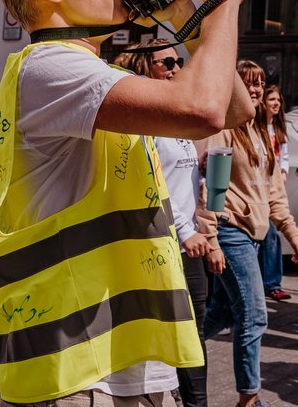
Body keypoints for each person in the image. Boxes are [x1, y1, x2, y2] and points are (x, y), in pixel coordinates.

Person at [0, 0, 253, 406]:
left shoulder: (85, 68)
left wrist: (188, 15)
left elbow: (236, 109)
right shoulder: (52, 67)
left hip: (124, 354)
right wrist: (220, 4)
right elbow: (206, 110)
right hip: (80, 366)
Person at [125, 39, 225, 407]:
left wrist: (207, 236)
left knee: (194, 333)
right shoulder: (140, 119)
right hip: (156, 241)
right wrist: (185, 231)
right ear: (143, 67)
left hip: (188, 243)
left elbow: (190, 187)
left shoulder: (177, 118)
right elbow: (151, 182)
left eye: (179, 60)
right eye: (165, 61)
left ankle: (195, 403)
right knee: (158, 328)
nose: (175, 68)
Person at [203, 60, 298, 407]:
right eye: (247, 82)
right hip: (231, 231)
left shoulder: (262, 131)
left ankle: (166, 355)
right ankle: (249, 398)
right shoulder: (222, 127)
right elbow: (211, 188)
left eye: (260, 83)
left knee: (220, 312)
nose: (255, 88)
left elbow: (274, 190)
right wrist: (212, 237)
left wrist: (292, 233)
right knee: (253, 314)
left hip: (256, 234)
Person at [259, 85, 290, 302]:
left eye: (278, 100)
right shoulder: (256, 128)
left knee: (271, 235)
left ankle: (271, 283)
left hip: (274, 191)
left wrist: (284, 173)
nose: (276, 103)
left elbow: (284, 157)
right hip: (258, 191)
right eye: (271, 99)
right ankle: (269, 282)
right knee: (269, 234)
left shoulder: (278, 129)